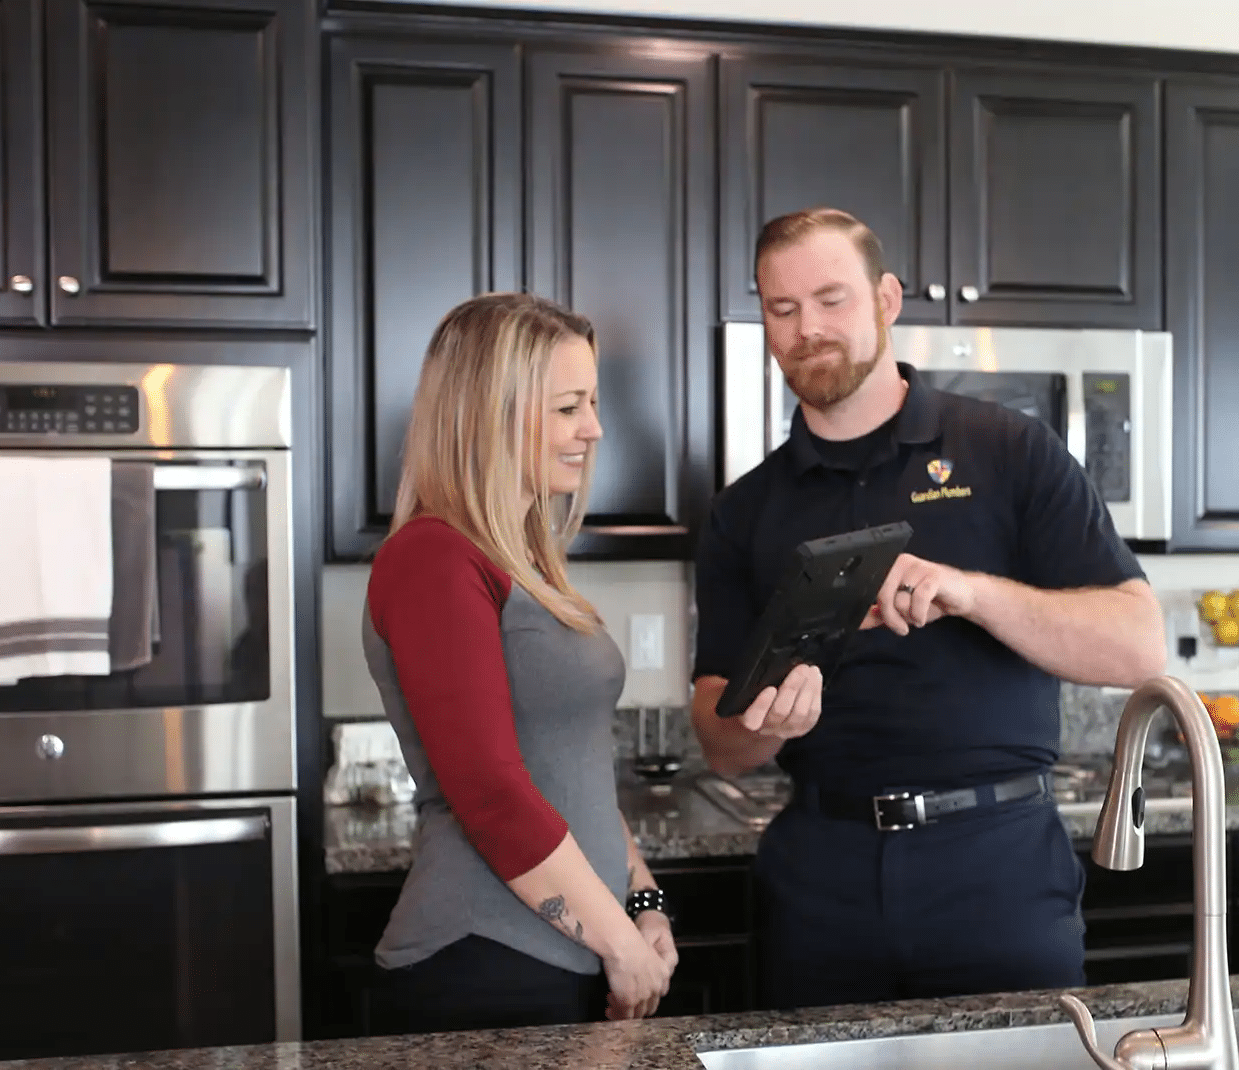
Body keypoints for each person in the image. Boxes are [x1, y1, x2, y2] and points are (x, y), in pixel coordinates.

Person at [690, 208, 1168, 1011]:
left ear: (886, 298)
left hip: (997, 867)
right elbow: (717, 739)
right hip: (821, 875)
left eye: (831, 299)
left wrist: (975, 594)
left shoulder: (1010, 451)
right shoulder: (744, 511)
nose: (808, 328)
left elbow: (1138, 646)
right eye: (782, 309)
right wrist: (760, 724)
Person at [363, 292, 677, 1034]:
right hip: (484, 968)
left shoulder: (525, 560)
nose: (594, 429)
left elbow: (575, 773)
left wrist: (644, 906)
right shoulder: (433, 557)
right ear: (489, 412)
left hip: (574, 954)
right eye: (569, 407)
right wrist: (620, 945)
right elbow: (492, 794)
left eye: (592, 403)